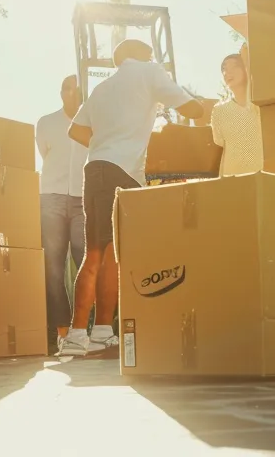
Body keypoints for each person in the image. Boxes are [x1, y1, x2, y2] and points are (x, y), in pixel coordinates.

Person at [60, 40, 206, 357]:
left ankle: (90, 333)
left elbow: (77, 132)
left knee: (102, 252)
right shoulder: (148, 72)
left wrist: (109, 140)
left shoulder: (103, 87)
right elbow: (191, 109)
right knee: (106, 252)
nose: (153, 58)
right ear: (140, 55)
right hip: (121, 172)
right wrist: (208, 111)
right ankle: (87, 333)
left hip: (97, 168)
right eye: (150, 54)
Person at [38, 75, 89, 353]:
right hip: (52, 199)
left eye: (77, 89)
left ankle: (85, 331)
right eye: (68, 88)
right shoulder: (46, 123)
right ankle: (62, 332)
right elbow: (45, 154)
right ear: (61, 93)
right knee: (54, 268)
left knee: (85, 263)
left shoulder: (93, 123)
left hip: (83, 199)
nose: (72, 93)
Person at [210, 49, 262, 177]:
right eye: (224, 69)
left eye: (235, 66)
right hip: (231, 180)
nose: (228, 72)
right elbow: (219, 142)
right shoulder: (218, 111)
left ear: (246, 68)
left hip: (263, 177)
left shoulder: (260, 105)